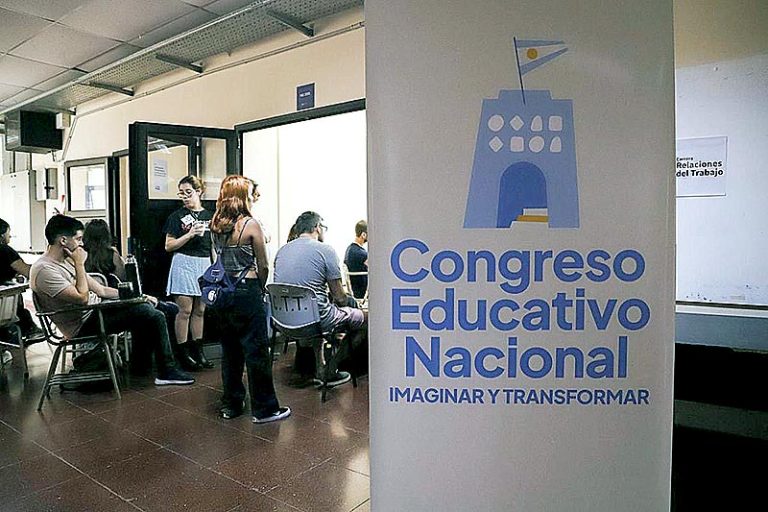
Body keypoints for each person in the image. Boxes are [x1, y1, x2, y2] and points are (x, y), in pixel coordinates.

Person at [30, 214, 194, 386]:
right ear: (63, 240)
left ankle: (144, 365)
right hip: (81, 324)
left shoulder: (65, 261)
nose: (81, 244)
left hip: (96, 311)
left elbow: (101, 290)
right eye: (78, 239)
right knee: (151, 314)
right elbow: (82, 298)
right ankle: (167, 370)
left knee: (157, 308)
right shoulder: (45, 270)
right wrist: (79, 264)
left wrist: (138, 296)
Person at [211, 175, 290, 423]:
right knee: (256, 350)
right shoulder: (250, 225)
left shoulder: (216, 224)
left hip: (224, 291)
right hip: (248, 289)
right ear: (243, 196)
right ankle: (265, 409)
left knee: (230, 351)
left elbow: (217, 258)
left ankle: (231, 404)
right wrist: (261, 287)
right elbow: (263, 265)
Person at [273, 211, 368, 386]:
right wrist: (352, 303)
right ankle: (331, 370)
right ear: (317, 227)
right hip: (315, 321)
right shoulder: (326, 250)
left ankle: (318, 366)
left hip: (283, 321)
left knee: (317, 311)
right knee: (366, 319)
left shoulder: (282, 251)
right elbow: (340, 298)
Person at [163, 176, 214, 371]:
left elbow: (213, 245)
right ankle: (182, 354)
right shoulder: (176, 217)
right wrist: (190, 234)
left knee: (200, 310)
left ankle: (198, 351)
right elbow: (169, 245)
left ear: (199, 192)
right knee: (184, 310)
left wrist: (215, 268)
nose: (185, 197)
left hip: (204, 262)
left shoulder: (210, 216)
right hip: (183, 262)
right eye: (181, 193)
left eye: (188, 192)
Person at [0, 218, 44, 350]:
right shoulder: (4, 250)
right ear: (2, 234)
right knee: (14, 295)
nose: (10, 237)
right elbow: (28, 272)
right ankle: (30, 330)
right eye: (8, 233)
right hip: (3, 309)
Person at [83, 219, 126, 285]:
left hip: (85, 288)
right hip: (108, 289)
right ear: (107, 235)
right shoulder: (112, 253)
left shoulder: (79, 252)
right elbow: (121, 277)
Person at [343, 220, 368, 299]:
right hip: (363, 292)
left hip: (355, 291)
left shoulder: (350, 249)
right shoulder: (361, 254)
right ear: (363, 235)